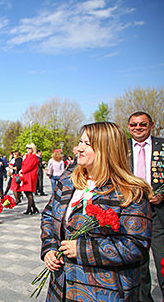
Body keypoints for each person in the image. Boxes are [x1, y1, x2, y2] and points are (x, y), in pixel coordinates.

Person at [41, 121, 152, 301]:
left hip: (104, 291)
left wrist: (82, 249)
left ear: (107, 149)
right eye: (80, 142)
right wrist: (50, 249)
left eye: (87, 144)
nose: (79, 149)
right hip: (61, 287)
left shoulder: (130, 192)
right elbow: (48, 215)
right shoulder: (69, 180)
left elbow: (136, 245)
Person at [127, 111, 164, 301]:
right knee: (139, 267)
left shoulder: (162, 146)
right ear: (128, 127)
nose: (138, 128)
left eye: (142, 124)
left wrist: (162, 195)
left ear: (151, 125)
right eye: (134, 125)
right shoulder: (121, 148)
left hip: (158, 214)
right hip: (132, 214)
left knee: (162, 262)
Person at [21, 143, 39, 215]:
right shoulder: (28, 156)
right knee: (27, 192)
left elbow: (29, 166)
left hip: (30, 176)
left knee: (29, 192)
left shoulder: (33, 157)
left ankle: (29, 208)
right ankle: (34, 207)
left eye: (29, 148)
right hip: (26, 175)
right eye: (27, 148)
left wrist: (22, 170)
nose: (27, 149)